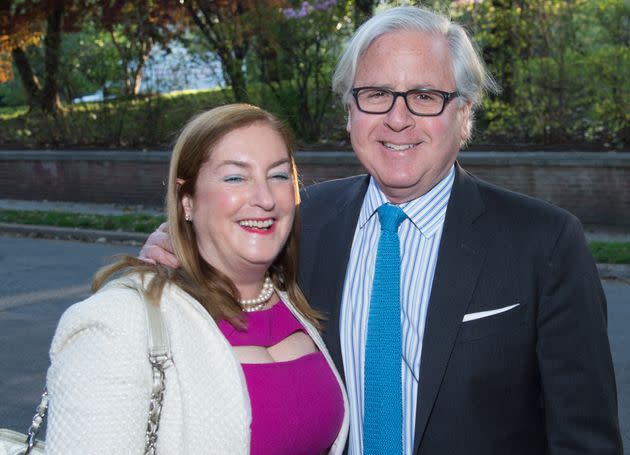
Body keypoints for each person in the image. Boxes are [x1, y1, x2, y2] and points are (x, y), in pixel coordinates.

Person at [140, 6, 623, 455]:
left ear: (465, 113)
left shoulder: (546, 242)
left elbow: (584, 437)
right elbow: (224, 282)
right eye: (375, 95)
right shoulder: (298, 223)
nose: (397, 118)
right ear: (349, 111)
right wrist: (180, 250)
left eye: (425, 96)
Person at [45, 104, 349, 454]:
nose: (264, 199)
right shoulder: (120, 322)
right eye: (235, 177)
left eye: (278, 175)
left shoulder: (298, 298)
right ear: (186, 199)